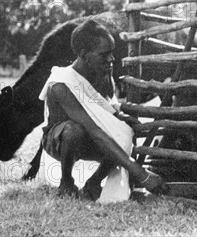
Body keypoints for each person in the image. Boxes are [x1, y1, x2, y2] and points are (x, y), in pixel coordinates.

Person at [39, 19, 164, 202]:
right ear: (84, 54)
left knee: (123, 131)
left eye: (111, 53)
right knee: (74, 130)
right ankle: (66, 181)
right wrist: (141, 174)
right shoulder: (61, 84)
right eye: (104, 54)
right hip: (60, 141)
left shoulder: (102, 71)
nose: (111, 59)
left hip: (91, 136)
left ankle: (94, 182)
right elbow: (94, 130)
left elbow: (107, 103)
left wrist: (120, 117)